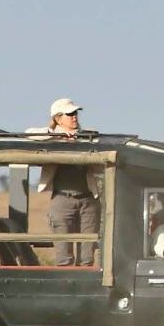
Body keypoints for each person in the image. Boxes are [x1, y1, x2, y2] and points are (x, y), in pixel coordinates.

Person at [38, 98, 100, 266]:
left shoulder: (87, 136)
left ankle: (85, 280)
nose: (74, 117)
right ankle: (64, 280)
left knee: (87, 256)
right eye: (70, 114)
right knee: (63, 255)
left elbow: (99, 140)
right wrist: (56, 135)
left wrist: (79, 138)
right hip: (62, 198)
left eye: (75, 113)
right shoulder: (49, 137)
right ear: (58, 119)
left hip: (88, 198)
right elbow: (29, 134)